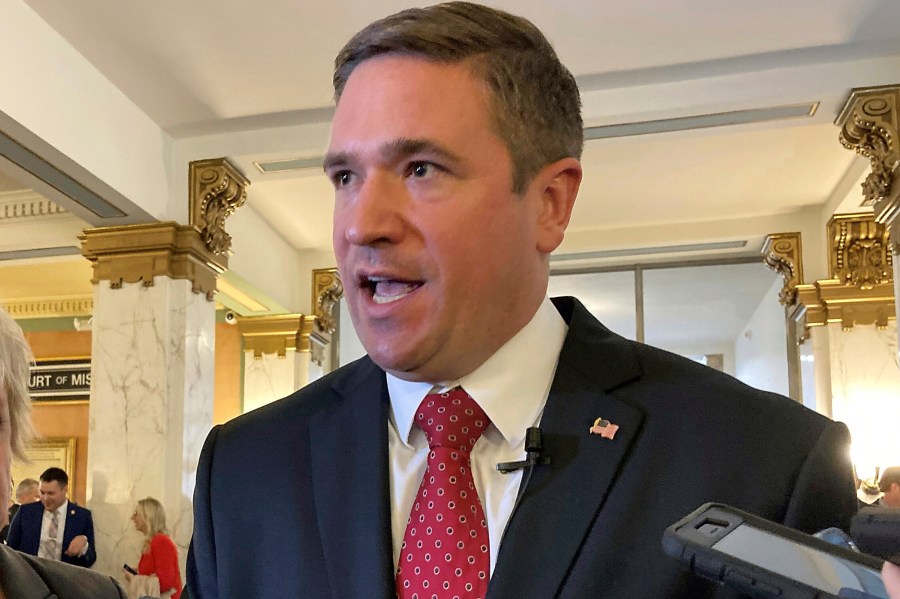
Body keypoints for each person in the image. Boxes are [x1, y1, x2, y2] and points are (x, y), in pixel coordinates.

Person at [187, 3, 862, 597]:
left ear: (549, 203)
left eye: (421, 169)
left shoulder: (763, 462)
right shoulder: (246, 469)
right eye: (345, 176)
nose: (363, 223)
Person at [0, 307, 125, 597]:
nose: (45, 497)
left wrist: (83, 549)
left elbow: (90, 556)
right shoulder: (27, 514)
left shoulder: (99, 594)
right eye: (42, 492)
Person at [6, 466, 97, 568]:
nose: (45, 498)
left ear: (65, 489)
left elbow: (91, 559)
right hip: (31, 578)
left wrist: (84, 547)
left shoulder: (82, 517)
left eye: (51, 493)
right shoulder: (26, 512)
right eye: (42, 492)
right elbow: (10, 549)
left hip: (64, 579)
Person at [125, 497, 183, 599]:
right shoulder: (152, 542)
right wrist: (140, 574)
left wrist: (135, 579)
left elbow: (165, 583)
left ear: (148, 517)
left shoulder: (161, 541)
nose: (132, 518)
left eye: (136, 514)